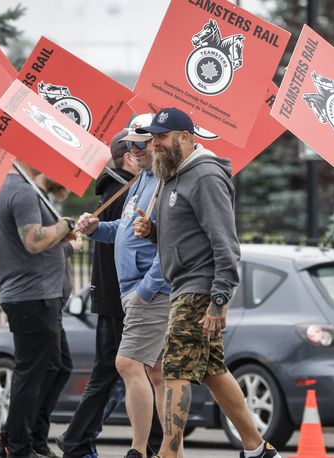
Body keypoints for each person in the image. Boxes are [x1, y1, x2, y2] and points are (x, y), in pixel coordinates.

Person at [132, 107, 283, 458]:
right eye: (152, 138)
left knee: (174, 371)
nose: (154, 144)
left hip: (199, 289)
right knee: (213, 369)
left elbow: (225, 241)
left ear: (184, 137)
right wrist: (153, 231)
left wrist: (219, 297)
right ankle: (257, 448)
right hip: (186, 284)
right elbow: (188, 236)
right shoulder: (175, 176)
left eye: (161, 138)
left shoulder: (205, 177)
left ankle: (169, 454)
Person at [76, 114, 174, 458]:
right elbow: (125, 228)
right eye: (129, 144)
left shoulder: (164, 181)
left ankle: (139, 450)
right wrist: (96, 228)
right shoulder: (144, 180)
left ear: (157, 144)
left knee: (128, 364)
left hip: (147, 291)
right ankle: (166, 450)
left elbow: (172, 243)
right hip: (137, 290)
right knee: (157, 372)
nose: (132, 150)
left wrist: (146, 290)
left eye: (139, 144)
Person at [58, 130, 140, 458]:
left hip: (113, 292)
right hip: (116, 293)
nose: (145, 154)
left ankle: (79, 438)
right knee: (111, 372)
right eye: (139, 149)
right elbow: (126, 239)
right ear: (128, 157)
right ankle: (77, 440)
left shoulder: (122, 186)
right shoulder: (120, 189)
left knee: (117, 372)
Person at [0, 160, 77, 458]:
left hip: (41, 296)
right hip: (31, 298)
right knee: (31, 373)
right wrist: (65, 224)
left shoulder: (20, 189)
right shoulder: (22, 191)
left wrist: (65, 243)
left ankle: (32, 438)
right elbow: (33, 241)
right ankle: (17, 446)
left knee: (58, 366)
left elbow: (33, 247)